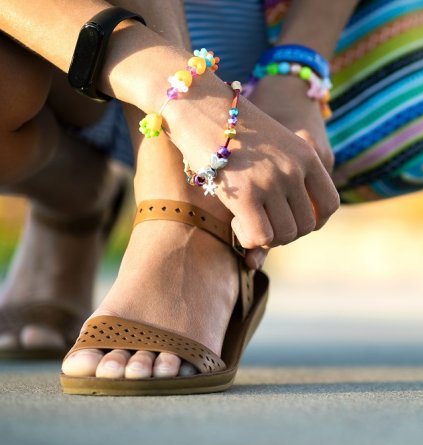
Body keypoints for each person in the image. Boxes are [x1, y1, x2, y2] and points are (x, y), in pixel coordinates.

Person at [0, 0, 354, 394]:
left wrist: (295, 67)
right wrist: (173, 87)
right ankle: (73, 197)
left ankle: (185, 207)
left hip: (264, 58)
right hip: (66, 51)